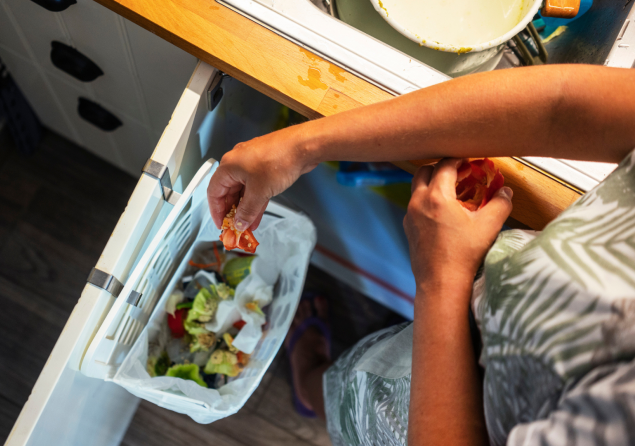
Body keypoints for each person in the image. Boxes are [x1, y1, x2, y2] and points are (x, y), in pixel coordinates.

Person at [206, 64, 635, 446]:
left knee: (347, 401)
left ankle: (308, 383)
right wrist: (300, 147)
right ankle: (318, 379)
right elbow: (559, 105)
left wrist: (441, 279)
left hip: (407, 421)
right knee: (369, 363)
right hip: (473, 315)